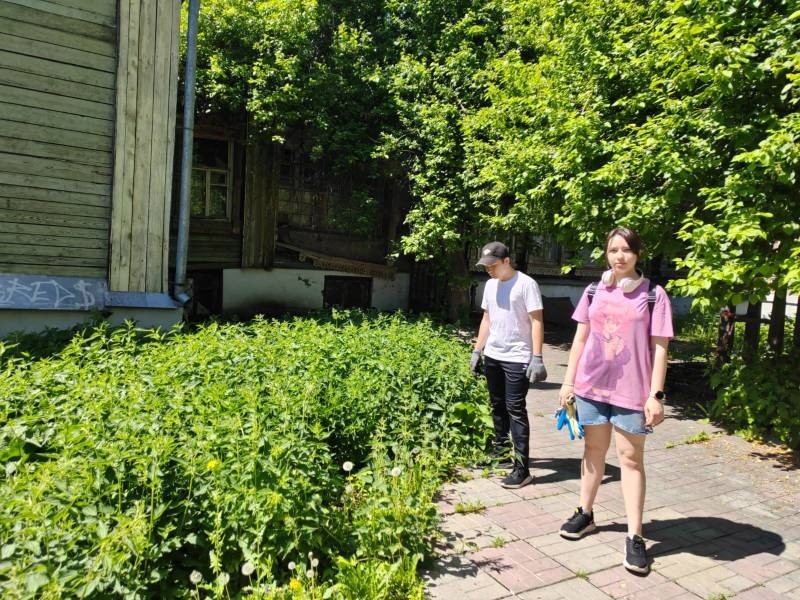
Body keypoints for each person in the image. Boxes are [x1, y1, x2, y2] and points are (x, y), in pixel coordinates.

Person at [557, 227, 673, 575]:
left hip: (631, 393)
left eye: (626, 250)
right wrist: (568, 382)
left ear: (637, 254)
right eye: (613, 250)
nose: (619, 256)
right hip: (591, 388)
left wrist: (655, 395)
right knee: (593, 450)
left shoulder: (653, 295)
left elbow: (660, 348)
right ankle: (585, 513)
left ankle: (635, 536)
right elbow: (580, 340)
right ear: (605, 254)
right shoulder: (594, 291)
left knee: (630, 460)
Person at [470, 241, 547, 489]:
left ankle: (522, 469)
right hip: (493, 354)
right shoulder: (490, 285)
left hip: (517, 357)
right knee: (497, 405)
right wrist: (477, 350)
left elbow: (537, 321)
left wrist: (537, 357)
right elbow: (487, 318)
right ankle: (502, 453)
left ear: (506, 261)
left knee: (515, 409)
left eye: (493, 265)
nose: (489, 270)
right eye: (485, 266)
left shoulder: (526, 284)